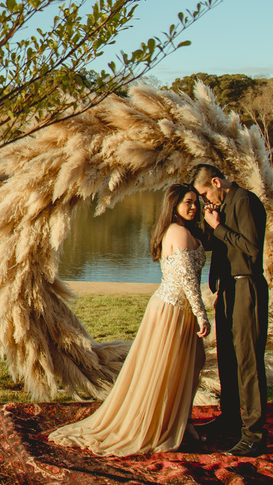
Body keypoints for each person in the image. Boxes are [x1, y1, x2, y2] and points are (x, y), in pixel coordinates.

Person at [47, 184, 210, 456]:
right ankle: (160, 424)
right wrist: (201, 314)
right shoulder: (179, 232)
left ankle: (182, 421)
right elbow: (188, 280)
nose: (193, 207)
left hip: (178, 310)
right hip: (173, 310)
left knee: (192, 365)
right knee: (169, 369)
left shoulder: (181, 231)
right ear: (174, 205)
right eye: (188, 202)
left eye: (195, 202)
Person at [192, 163, 270, 457]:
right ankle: (229, 420)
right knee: (226, 356)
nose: (203, 199)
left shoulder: (245, 201)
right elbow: (222, 245)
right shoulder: (221, 206)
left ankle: (254, 434)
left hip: (247, 287)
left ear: (216, 181)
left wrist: (218, 226)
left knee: (247, 361)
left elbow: (251, 249)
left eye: (204, 193)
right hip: (228, 289)